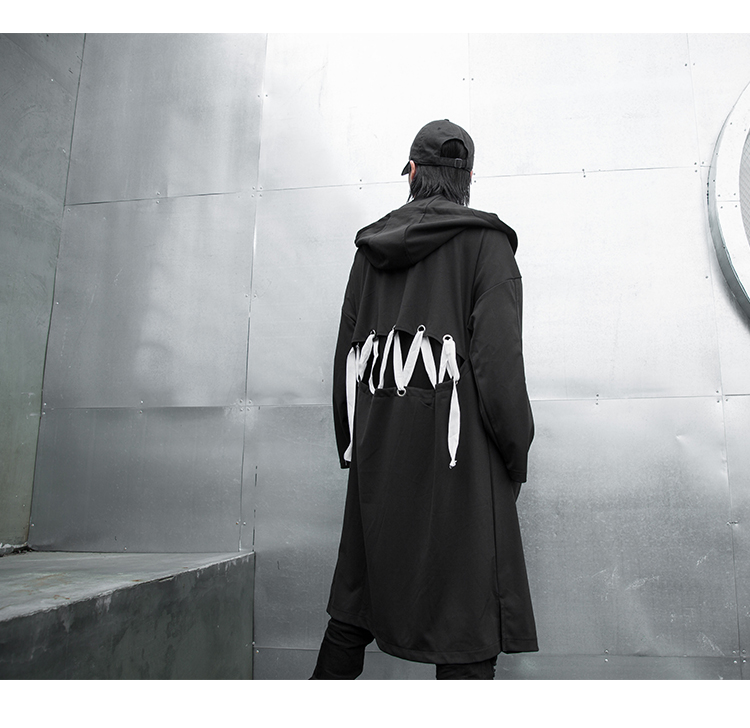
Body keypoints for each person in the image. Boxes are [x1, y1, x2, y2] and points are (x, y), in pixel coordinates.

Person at [311, 120, 537, 680]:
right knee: (464, 627)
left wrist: (354, 447)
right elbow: (500, 368)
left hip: (379, 460)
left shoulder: (369, 253)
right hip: (461, 473)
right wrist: (515, 457)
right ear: (467, 181)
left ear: (412, 172)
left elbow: (347, 359)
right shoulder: (487, 247)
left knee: (353, 608)